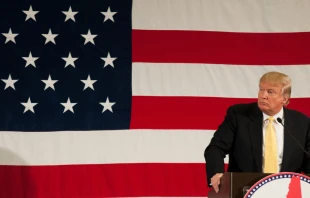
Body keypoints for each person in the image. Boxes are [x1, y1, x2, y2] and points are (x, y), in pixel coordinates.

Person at [204, 71, 310, 193]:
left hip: (286, 191)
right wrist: (217, 173)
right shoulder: (239, 116)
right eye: (261, 89)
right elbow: (216, 148)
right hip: (244, 190)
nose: (263, 95)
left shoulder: (302, 123)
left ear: (284, 99)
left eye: (270, 92)